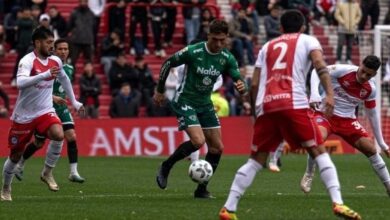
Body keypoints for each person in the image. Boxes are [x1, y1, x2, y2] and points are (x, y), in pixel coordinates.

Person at [219, 10, 361, 220]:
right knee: (318, 151)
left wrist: (256, 112)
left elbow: (255, 83)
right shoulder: (308, 40)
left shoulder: (267, 46)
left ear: (281, 28)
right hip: (293, 103)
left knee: (256, 159)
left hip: (267, 105)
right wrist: (329, 94)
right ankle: (338, 203)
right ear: (303, 27)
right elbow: (320, 65)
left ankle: (228, 209)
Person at [154, 19, 249, 199]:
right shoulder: (194, 51)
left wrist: (241, 85)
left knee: (217, 148)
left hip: (205, 104)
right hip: (185, 100)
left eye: (222, 40)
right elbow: (168, 63)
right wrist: (160, 90)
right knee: (198, 141)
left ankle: (201, 189)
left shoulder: (227, 58)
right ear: (208, 36)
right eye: (215, 39)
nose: (219, 43)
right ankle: (167, 165)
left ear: (227, 38)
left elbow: (237, 77)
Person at [0, 27, 84, 202]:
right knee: (15, 156)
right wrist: (44, 75)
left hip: (45, 110)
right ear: (37, 43)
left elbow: (65, 80)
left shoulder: (55, 61)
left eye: (53, 43)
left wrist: (74, 101)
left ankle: (47, 172)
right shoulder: (27, 60)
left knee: (59, 134)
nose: (52, 47)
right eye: (48, 43)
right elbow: (21, 83)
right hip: (24, 115)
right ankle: (6, 188)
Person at [300, 56, 390, 196]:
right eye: (363, 71)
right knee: (317, 138)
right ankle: (309, 173)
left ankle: (389, 185)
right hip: (325, 115)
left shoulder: (371, 89)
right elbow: (316, 72)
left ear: (375, 75)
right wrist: (315, 94)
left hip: (348, 121)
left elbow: (372, 115)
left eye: (369, 75)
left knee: (371, 150)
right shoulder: (343, 70)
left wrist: (382, 143)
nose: (363, 76)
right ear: (360, 65)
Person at [13, 38, 86, 184]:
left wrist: (74, 102)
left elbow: (65, 86)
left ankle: (73, 172)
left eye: (66, 49)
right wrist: (53, 97)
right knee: (39, 143)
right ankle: (20, 163)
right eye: (60, 49)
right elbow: (37, 86)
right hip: (45, 108)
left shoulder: (70, 68)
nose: (63, 52)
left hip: (61, 108)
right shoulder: (45, 65)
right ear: (54, 49)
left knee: (71, 136)